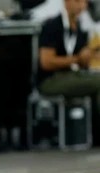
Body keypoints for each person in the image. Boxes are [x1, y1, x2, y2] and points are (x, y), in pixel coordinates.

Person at [37, 0, 100, 142]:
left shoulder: (81, 28)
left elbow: (82, 61)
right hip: (52, 79)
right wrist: (76, 59)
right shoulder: (52, 26)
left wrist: (88, 56)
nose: (82, 6)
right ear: (66, 2)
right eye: (78, 1)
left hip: (73, 75)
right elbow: (46, 62)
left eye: (84, 2)